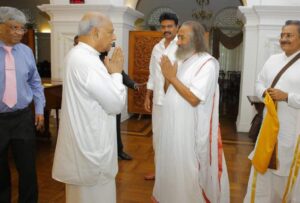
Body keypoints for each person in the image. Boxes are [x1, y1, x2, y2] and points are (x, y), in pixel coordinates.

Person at [52, 12, 126, 203]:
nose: (114, 37)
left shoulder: (76, 54)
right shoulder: (88, 61)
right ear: (95, 32)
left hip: (83, 142)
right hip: (92, 147)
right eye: (110, 32)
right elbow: (115, 104)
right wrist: (116, 74)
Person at [152, 21, 230, 203]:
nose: (177, 42)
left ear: (195, 39)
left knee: (187, 171)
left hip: (189, 132)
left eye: (181, 37)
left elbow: (194, 98)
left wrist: (171, 77)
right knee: (172, 167)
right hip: (172, 126)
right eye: (178, 37)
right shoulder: (182, 60)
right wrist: (167, 76)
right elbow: (168, 90)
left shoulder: (207, 64)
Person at [244, 20, 300, 203]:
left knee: (285, 169)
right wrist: (263, 92)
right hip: (268, 128)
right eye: (282, 35)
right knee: (264, 168)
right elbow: (259, 82)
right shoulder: (273, 59)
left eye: (289, 35)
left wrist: (287, 96)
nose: (283, 39)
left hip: (293, 131)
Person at [0, 7, 45, 203]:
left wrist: (40, 110)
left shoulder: (26, 51)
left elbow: (36, 83)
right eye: (14, 28)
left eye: (22, 28)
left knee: (27, 169)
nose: (19, 32)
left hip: (22, 118)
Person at [73, 36, 137, 161]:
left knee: (116, 129)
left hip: (112, 100)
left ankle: (118, 151)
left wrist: (134, 85)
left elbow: (121, 73)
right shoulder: (81, 61)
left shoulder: (103, 57)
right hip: (95, 107)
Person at [144, 12, 179, 180]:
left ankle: (172, 174)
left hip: (176, 101)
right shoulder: (156, 47)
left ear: (176, 27)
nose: (166, 29)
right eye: (164, 26)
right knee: (158, 137)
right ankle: (159, 171)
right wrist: (147, 96)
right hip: (158, 101)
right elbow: (152, 74)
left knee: (174, 137)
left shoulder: (182, 46)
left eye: (170, 26)